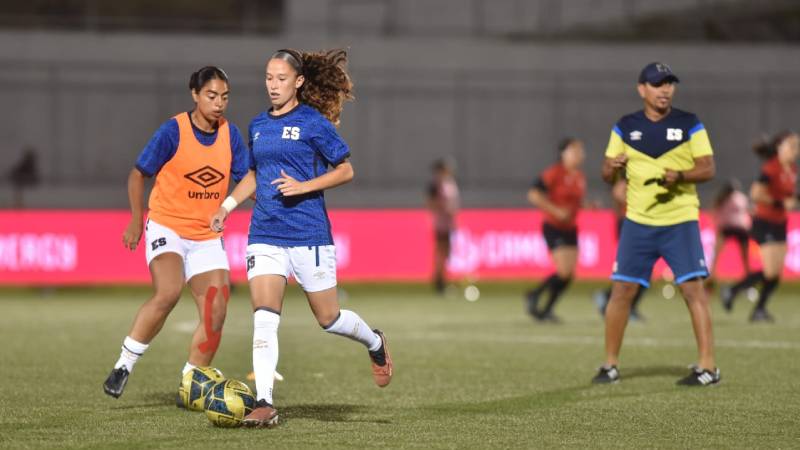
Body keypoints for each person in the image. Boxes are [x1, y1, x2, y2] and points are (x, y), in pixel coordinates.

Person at [211, 49, 393, 428]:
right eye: (268, 77)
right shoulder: (258, 124)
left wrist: (303, 186)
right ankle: (264, 402)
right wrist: (227, 206)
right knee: (264, 317)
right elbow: (254, 174)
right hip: (265, 233)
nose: (272, 85)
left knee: (329, 318)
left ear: (298, 82)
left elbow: (345, 170)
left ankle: (375, 342)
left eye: (280, 78)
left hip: (309, 233)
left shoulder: (313, 123)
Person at [103, 67, 250, 399]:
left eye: (225, 97)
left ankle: (191, 381)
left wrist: (281, 192)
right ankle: (124, 364)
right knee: (168, 292)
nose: (219, 103)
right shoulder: (173, 131)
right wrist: (136, 219)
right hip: (167, 226)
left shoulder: (231, 135)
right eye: (212, 96)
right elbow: (138, 175)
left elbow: (246, 181)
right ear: (195, 95)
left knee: (217, 308)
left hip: (206, 236)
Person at [593, 62, 720, 386]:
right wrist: (612, 166)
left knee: (693, 290)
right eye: (657, 84)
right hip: (638, 222)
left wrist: (681, 175)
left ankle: (708, 367)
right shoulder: (625, 126)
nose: (665, 89)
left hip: (679, 221)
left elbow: (707, 169)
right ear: (642, 89)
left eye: (669, 84)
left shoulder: (689, 123)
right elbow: (607, 175)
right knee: (621, 290)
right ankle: (609, 365)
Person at [722, 132, 798, 321]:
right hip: (765, 222)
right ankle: (733, 290)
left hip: (780, 222)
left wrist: (792, 200)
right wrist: (780, 203)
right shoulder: (772, 167)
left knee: (775, 272)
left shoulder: (792, 169)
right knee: (770, 271)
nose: (795, 149)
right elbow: (756, 194)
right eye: (791, 145)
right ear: (780, 148)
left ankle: (759, 309)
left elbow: (788, 196)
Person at [525, 137, 585, 322]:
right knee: (564, 271)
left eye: (580, 150)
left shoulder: (579, 177)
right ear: (563, 153)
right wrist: (556, 211)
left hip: (571, 228)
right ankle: (535, 294)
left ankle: (546, 308)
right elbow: (533, 194)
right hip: (553, 226)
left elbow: (574, 204)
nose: (579, 154)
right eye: (574, 150)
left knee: (569, 274)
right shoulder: (554, 173)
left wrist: (588, 206)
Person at [593, 176, 647, 321]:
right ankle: (614, 302)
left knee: (642, 270)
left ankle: (614, 300)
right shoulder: (626, 179)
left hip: (640, 224)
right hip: (629, 225)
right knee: (635, 270)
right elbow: (618, 194)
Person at [710, 179, 752, 294]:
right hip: (737, 228)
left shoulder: (722, 198)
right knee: (744, 259)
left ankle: (710, 283)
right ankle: (747, 284)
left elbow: (715, 212)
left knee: (716, 257)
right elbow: (748, 211)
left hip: (731, 228)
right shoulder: (739, 198)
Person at [427, 158, 460, 294]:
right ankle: (439, 282)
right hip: (442, 223)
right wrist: (443, 208)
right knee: (441, 252)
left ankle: (442, 280)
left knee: (446, 253)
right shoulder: (438, 185)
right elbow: (431, 203)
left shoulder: (448, 183)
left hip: (448, 222)